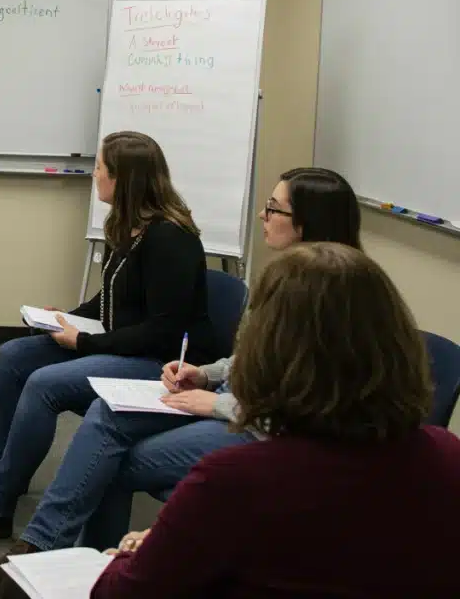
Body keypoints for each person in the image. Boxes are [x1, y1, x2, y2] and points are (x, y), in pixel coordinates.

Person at [0, 167, 364, 599]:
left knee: (109, 459)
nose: (262, 217)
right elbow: (249, 359)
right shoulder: (290, 276)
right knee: (106, 415)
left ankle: (55, 572)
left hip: (261, 431)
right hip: (231, 402)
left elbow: (305, 406)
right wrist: (206, 374)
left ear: (308, 222)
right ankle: (47, 566)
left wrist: (214, 404)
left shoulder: (335, 298)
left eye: (274, 208)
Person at [88, 242, 460, 598]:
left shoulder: (234, 481)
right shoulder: (447, 455)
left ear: (265, 351)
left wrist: (134, 554)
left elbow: (120, 593)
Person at [0, 131, 217, 540]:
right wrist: (66, 318)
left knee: (44, 383)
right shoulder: (129, 225)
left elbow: (161, 332)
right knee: (16, 355)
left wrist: (83, 343)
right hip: (125, 345)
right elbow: (111, 301)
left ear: (124, 179)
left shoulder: (170, 239)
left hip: (163, 365)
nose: (95, 175)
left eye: (100, 168)